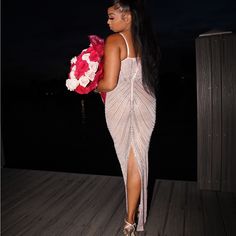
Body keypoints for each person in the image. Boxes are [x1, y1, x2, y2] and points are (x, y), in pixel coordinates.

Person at [96, 0, 160, 234]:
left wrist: (93, 86)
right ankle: (130, 221)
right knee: (138, 162)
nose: (108, 21)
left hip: (123, 107)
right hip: (145, 104)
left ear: (128, 17)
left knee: (128, 162)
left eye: (112, 16)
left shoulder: (114, 41)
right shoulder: (145, 42)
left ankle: (130, 221)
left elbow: (110, 83)